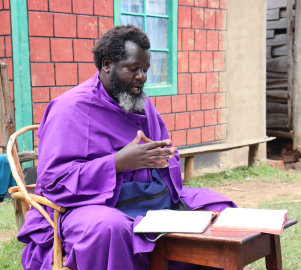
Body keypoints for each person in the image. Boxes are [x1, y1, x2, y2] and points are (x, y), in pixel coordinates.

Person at [18, 25, 236, 270]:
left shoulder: (142, 103)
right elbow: (53, 182)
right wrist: (118, 163)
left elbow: (166, 156)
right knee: (109, 228)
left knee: (219, 209)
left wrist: (161, 158)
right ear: (108, 64)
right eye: (133, 69)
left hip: (151, 200)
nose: (142, 76)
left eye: (145, 69)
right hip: (91, 207)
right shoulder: (69, 109)